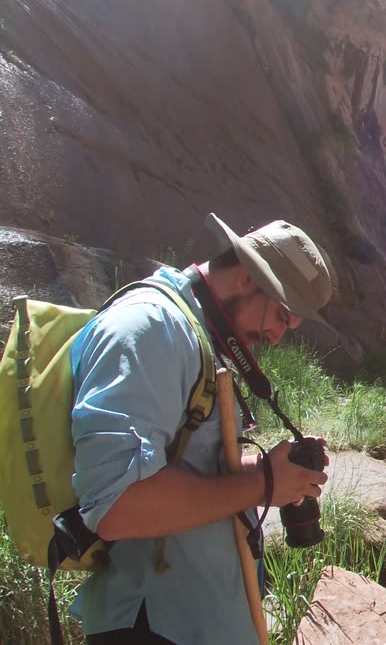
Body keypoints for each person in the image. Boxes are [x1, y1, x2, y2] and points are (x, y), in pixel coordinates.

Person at [68, 214, 333, 645]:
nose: (278, 336)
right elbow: (117, 507)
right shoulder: (150, 328)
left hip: (198, 622)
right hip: (153, 626)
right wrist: (263, 483)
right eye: (282, 317)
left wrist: (265, 470)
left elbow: (178, 462)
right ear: (248, 278)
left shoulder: (194, 333)